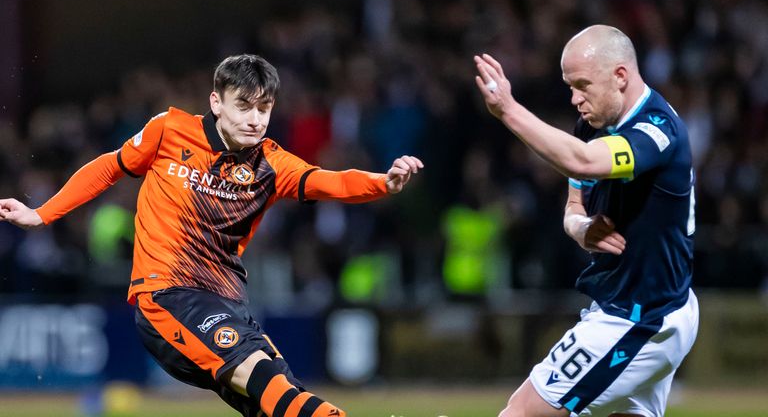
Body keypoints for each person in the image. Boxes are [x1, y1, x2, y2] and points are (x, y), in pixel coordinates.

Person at [0, 54, 424, 417]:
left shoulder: (270, 163)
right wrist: (42, 214)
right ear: (216, 102)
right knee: (262, 374)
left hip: (227, 303)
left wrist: (383, 182)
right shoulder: (169, 130)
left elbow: (330, 181)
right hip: (167, 298)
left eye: (265, 109)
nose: (255, 120)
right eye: (245, 106)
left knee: (278, 396)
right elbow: (109, 166)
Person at [474, 25, 698, 416]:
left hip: (640, 317)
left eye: (582, 85)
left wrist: (509, 111)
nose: (575, 98)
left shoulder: (657, 130)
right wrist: (581, 228)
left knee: (521, 413)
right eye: (569, 86)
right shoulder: (592, 125)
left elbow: (584, 160)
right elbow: (573, 206)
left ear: (620, 76)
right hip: (644, 306)